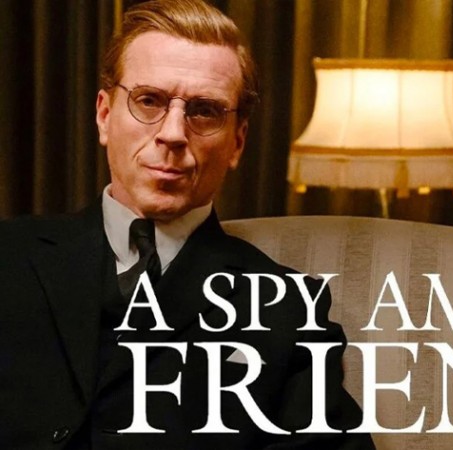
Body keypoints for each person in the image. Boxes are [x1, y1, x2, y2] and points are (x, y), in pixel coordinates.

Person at [0, 1, 373, 449]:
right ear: (104, 115)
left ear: (237, 142)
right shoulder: (10, 255)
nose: (173, 133)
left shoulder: (288, 309)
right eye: (149, 101)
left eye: (204, 111)